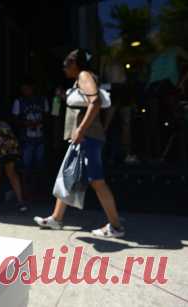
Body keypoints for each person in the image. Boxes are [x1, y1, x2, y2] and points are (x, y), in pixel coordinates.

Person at [34, 49, 125, 238]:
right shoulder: (79, 80)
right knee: (68, 174)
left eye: (66, 64)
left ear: (74, 63)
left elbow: (95, 102)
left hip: (88, 138)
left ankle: (116, 226)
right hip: (83, 139)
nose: (64, 68)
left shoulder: (84, 76)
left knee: (97, 181)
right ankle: (57, 218)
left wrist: (81, 130)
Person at [12, 80, 49, 200]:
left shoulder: (42, 100)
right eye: (23, 88)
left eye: (27, 88)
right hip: (26, 140)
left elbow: (50, 116)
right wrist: (25, 123)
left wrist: (39, 122)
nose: (25, 91)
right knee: (26, 167)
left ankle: (40, 192)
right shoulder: (19, 102)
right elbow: (15, 119)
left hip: (40, 138)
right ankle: (27, 192)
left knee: (40, 166)